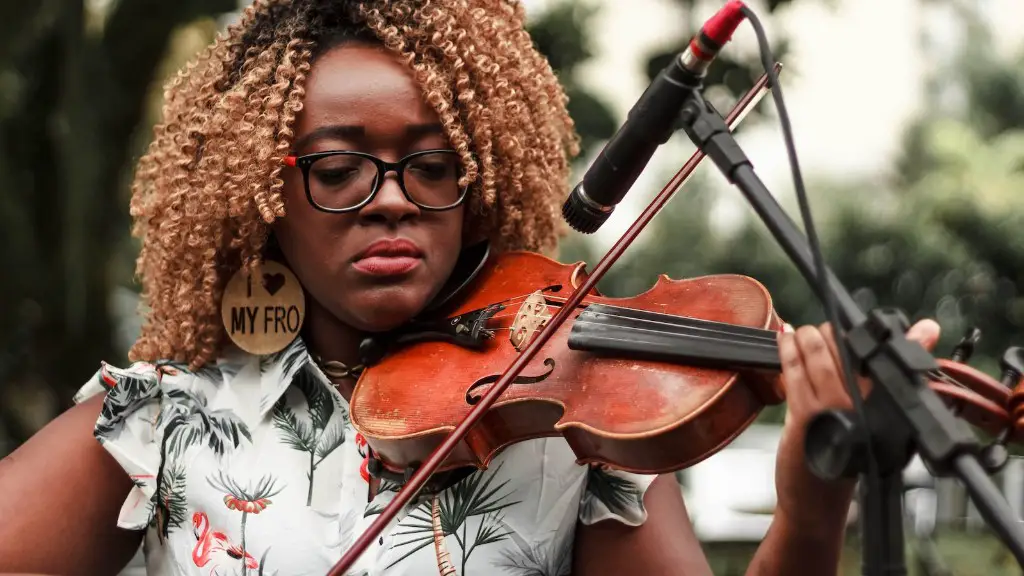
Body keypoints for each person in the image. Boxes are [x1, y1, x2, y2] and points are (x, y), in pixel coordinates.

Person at [0, 1, 942, 574]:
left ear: (478, 188)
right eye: (339, 169)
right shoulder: (166, 422)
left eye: (432, 166)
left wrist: (813, 504)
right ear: (265, 197)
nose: (393, 203)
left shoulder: (573, 437)